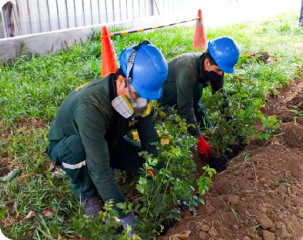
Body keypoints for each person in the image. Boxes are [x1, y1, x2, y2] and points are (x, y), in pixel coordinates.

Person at [45, 41, 168, 236]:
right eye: (136, 94)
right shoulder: (91, 107)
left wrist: (159, 182)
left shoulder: (143, 101)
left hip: (107, 139)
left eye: (146, 96)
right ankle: (86, 194)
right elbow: (99, 169)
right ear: (120, 80)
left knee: (142, 162)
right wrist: (126, 216)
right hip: (69, 144)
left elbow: (150, 144)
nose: (141, 102)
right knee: (79, 150)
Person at [157, 37, 240, 162]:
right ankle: (168, 111)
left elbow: (220, 96)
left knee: (206, 127)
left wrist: (233, 126)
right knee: (197, 88)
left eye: (223, 71)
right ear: (207, 63)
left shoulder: (216, 68)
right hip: (166, 95)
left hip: (187, 94)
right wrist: (198, 138)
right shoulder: (188, 68)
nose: (220, 75)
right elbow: (186, 105)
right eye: (218, 70)